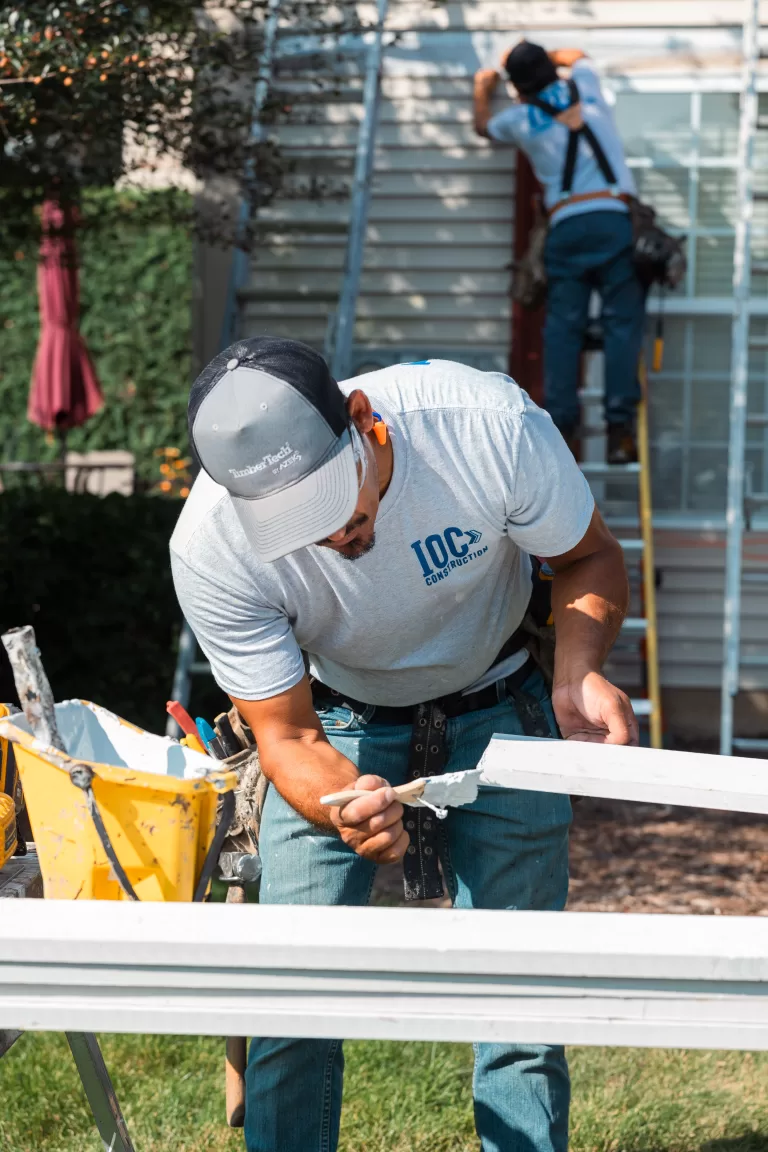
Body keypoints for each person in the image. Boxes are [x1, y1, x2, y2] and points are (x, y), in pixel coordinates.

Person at [171, 335, 637, 1152]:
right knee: (293, 1004)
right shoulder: (210, 545)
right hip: (340, 715)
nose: (327, 541)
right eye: (289, 525)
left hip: (499, 695)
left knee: (521, 1000)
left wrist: (578, 668)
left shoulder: (484, 426)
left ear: (366, 425)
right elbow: (286, 732)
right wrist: (336, 801)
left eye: (330, 508)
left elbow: (587, 555)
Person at [473, 40, 646, 464]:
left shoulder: (519, 119)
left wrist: (483, 84)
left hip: (567, 226)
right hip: (614, 218)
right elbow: (579, 54)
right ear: (551, 71)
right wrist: (549, 56)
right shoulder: (587, 90)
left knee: (564, 329)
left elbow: (481, 126)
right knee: (622, 324)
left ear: (519, 88)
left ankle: (563, 431)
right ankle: (620, 431)